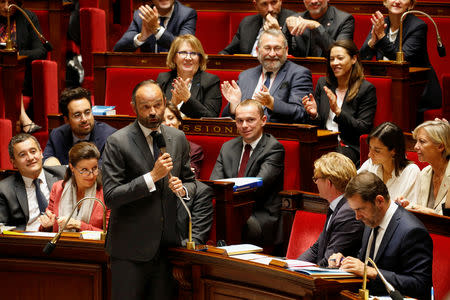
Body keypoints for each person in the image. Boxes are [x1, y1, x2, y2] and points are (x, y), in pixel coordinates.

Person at [102, 79, 196, 299]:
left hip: (167, 249)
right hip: (129, 251)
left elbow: (191, 181)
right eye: (145, 107)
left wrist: (183, 189)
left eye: (157, 105)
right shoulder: (117, 142)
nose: (153, 112)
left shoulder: (178, 138)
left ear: (165, 103)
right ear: (133, 107)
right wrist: (152, 177)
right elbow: (111, 196)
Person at [328, 171, 432, 299]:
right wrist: (344, 261)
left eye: (360, 209)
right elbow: (364, 262)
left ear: (379, 201)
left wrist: (373, 272)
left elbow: (420, 285)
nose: (357, 217)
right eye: (354, 210)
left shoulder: (412, 231)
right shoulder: (372, 220)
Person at [210, 99, 285, 247]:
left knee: (230, 222)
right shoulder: (228, 147)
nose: (244, 126)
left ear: (263, 120)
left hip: (259, 214)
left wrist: (228, 200)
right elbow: (215, 183)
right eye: (240, 121)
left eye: (250, 120)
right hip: (230, 209)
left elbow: (257, 186)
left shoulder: (273, 148)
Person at [359, 0, 441, 115]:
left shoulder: (418, 26)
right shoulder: (381, 24)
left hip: (415, 93)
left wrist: (381, 37)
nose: (397, 1)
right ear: (385, 2)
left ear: (411, 5)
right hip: (388, 90)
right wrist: (372, 42)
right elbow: (362, 58)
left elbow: (402, 60)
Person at [302, 40, 377, 165]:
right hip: (323, 143)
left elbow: (363, 128)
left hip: (348, 147)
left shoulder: (366, 89)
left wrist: (338, 111)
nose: (335, 63)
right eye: (332, 59)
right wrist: (314, 114)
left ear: (353, 59)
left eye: (340, 58)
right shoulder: (323, 84)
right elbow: (320, 125)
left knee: (330, 161)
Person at [221, 29, 313, 124]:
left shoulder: (299, 74)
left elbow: (302, 113)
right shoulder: (246, 76)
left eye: (277, 48)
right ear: (257, 51)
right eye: (267, 48)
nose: (272, 54)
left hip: (277, 135)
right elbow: (226, 118)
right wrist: (234, 105)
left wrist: (272, 103)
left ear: (286, 51)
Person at [298, 152, 364, 267]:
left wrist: (303, 275)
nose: (316, 182)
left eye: (316, 178)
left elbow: (329, 259)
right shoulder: (337, 207)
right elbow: (316, 249)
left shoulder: (348, 213)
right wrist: (292, 266)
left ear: (328, 183)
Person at [39, 142, 110, 232]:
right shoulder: (58, 188)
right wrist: (47, 225)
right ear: (72, 168)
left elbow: (109, 235)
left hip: (92, 246)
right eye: (84, 170)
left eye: (94, 168)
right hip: (61, 244)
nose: (91, 175)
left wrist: (79, 225)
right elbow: (48, 230)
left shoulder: (106, 192)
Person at [0, 134, 66, 230]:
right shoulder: (4, 189)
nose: (30, 158)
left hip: (61, 236)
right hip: (26, 240)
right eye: (22, 155)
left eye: (33, 151)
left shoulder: (63, 175)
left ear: (41, 153)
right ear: (13, 162)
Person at [0, 0, 48, 133]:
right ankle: (24, 118)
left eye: (10, 2)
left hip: (22, 76)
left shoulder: (27, 17)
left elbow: (40, 51)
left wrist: (15, 55)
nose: (6, 7)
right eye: (2, 2)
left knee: (11, 72)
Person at [43, 87, 116, 166]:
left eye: (87, 112)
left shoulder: (109, 137)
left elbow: (101, 171)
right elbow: (46, 161)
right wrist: (50, 161)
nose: (84, 119)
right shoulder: (57, 135)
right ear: (66, 119)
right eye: (77, 115)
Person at [157, 34, 222, 118]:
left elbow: (211, 118)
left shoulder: (210, 81)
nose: (188, 58)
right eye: (183, 53)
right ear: (174, 58)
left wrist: (188, 99)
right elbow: (155, 113)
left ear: (200, 58)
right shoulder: (163, 79)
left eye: (194, 53)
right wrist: (173, 104)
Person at [359, 122, 420, 200]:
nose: (369, 155)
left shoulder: (411, 171)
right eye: (370, 148)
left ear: (394, 151)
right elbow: (354, 190)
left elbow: (411, 208)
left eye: (377, 151)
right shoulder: (370, 164)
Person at [113, 0, 197, 53]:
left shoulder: (187, 14)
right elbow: (118, 49)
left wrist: (157, 29)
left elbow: (185, 46)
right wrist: (141, 37)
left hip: (176, 71)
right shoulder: (141, 15)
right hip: (149, 70)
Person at [219, 0, 295, 56]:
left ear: (280, 1)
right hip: (248, 71)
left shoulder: (293, 20)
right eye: (264, 4)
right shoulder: (247, 23)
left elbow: (296, 56)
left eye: (274, 2)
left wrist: (278, 32)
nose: (270, 9)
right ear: (256, 5)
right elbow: (227, 52)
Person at [407, 119, 450, 215]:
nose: (415, 147)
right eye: (416, 141)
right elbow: (418, 208)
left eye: (422, 142)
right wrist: (408, 205)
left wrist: (430, 212)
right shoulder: (424, 173)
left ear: (440, 146)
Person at [283, 0, 354, 57]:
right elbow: (282, 51)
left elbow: (340, 54)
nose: (314, 1)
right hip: (299, 70)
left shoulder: (344, 20)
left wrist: (317, 27)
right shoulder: (295, 20)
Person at [163, 102, 203, 178]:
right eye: (162, 120)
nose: (167, 123)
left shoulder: (194, 149)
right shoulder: (152, 146)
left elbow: (192, 179)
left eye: (171, 118)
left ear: (179, 121)